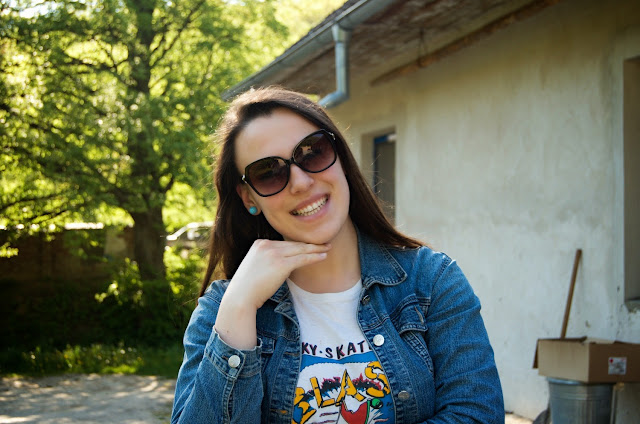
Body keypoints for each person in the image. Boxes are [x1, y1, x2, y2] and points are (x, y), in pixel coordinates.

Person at [171, 86, 504, 424]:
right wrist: (240, 308)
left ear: (340, 156)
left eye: (312, 152)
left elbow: (477, 416)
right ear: (249, 197)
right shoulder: (222, 310)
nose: (300, 182)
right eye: (268, 173)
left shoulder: (432, 282)